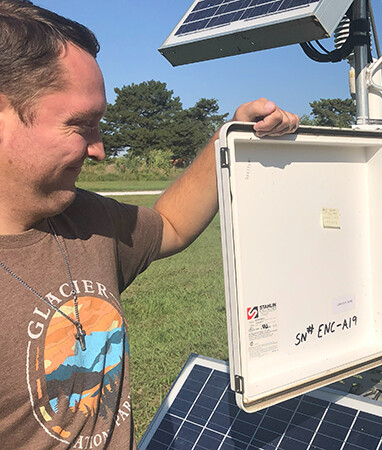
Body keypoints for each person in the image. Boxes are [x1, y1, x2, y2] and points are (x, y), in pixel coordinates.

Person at [0, 1, 299, 448]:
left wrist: (229, 137)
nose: (99, 150)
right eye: (81, 125)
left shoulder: (88, 219)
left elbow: (170, 224)